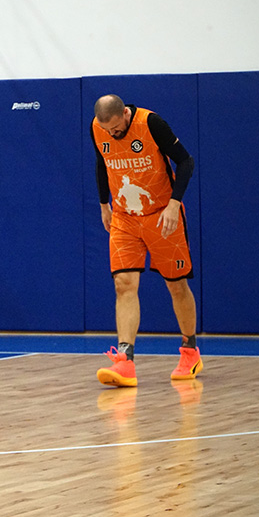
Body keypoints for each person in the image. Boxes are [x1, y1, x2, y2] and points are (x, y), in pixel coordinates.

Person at [90, 94, 203, 387]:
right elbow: (102, 163)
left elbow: (186, 161)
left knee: (176, 285)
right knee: (123, 284)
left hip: (161, 214)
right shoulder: (98, 129)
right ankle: (125, 360)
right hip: (124, 218)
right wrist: (104, 204)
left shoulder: (151, 123)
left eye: (116, 128)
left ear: (125, 114)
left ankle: (190, 350)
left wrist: (174, 204)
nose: (112, 134)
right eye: (107, 130)